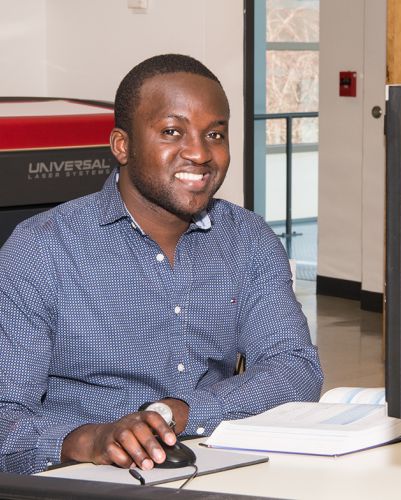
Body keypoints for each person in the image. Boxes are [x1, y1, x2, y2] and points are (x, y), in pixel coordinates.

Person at [0, 54, 323, 475]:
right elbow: (6, 418)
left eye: (215, 134)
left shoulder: (248, 238)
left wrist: (184, 413)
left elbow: (295, 366)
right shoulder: (40, 249)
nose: (199, 153)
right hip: (82, 479)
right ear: (123, 146)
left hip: (215, 468)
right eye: (172, 131)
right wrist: (91, 438)